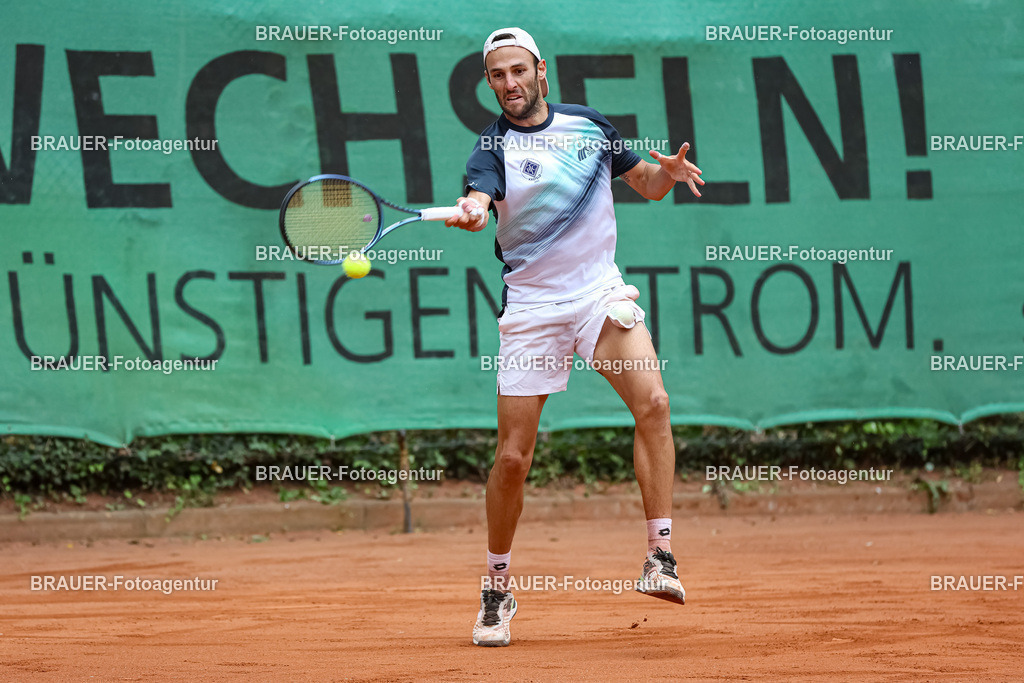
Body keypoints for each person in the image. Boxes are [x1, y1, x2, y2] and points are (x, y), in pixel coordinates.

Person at [446, 27, 705, 647]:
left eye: (518, 71)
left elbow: (643, 183)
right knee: (513, 458)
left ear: (541, 70)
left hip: (598, 294)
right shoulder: (491, 146)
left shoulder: (590, 126)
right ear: (490, 83)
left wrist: (666, 173)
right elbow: (481, 190)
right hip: (533, 308)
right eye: (497, 76)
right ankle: (497, 589)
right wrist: (477, 205)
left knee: (656, 404)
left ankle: (660, 557)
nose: (509, 84)